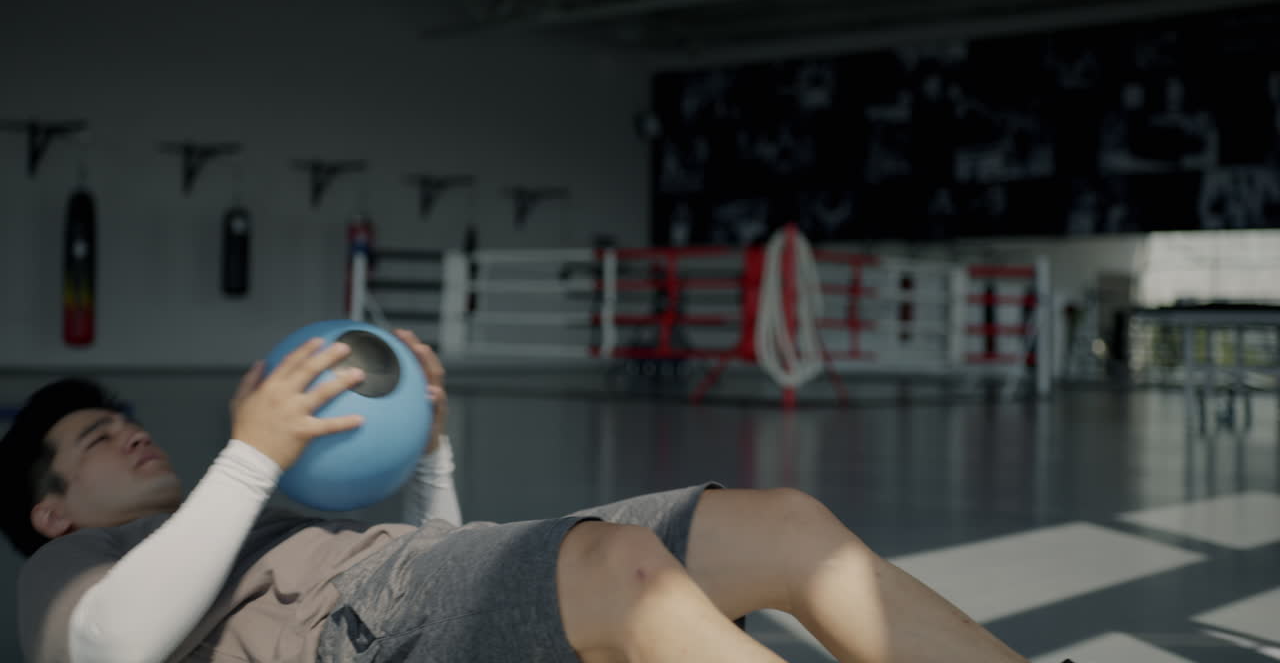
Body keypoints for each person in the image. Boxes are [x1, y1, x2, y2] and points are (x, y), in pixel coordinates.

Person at [2, 329, 1034, 663]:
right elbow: (105, 649)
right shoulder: (73, 565)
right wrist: (250, 457)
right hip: (342, 634)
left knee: (785, 527)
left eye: (124, 420)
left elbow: (458, 609)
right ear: (50, 510)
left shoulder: (236, 518)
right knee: (624, 576)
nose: (132, 432)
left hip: (394, 599)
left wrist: (433, 464)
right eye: (96, 437)